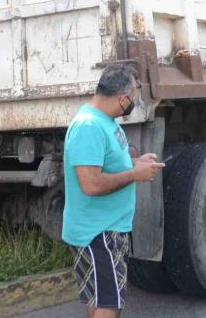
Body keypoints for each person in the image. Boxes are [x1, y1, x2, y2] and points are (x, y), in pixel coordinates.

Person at [62, 64, 165, 318]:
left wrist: (135, 164)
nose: (134, 103)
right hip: (98, 234)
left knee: (100, 297)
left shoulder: (106, 121)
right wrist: (134, 174)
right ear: (122, 99)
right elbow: (91, 184)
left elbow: (108, 164)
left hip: (107, 229)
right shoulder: (88, 127)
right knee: (110, 304)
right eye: (133, 97)